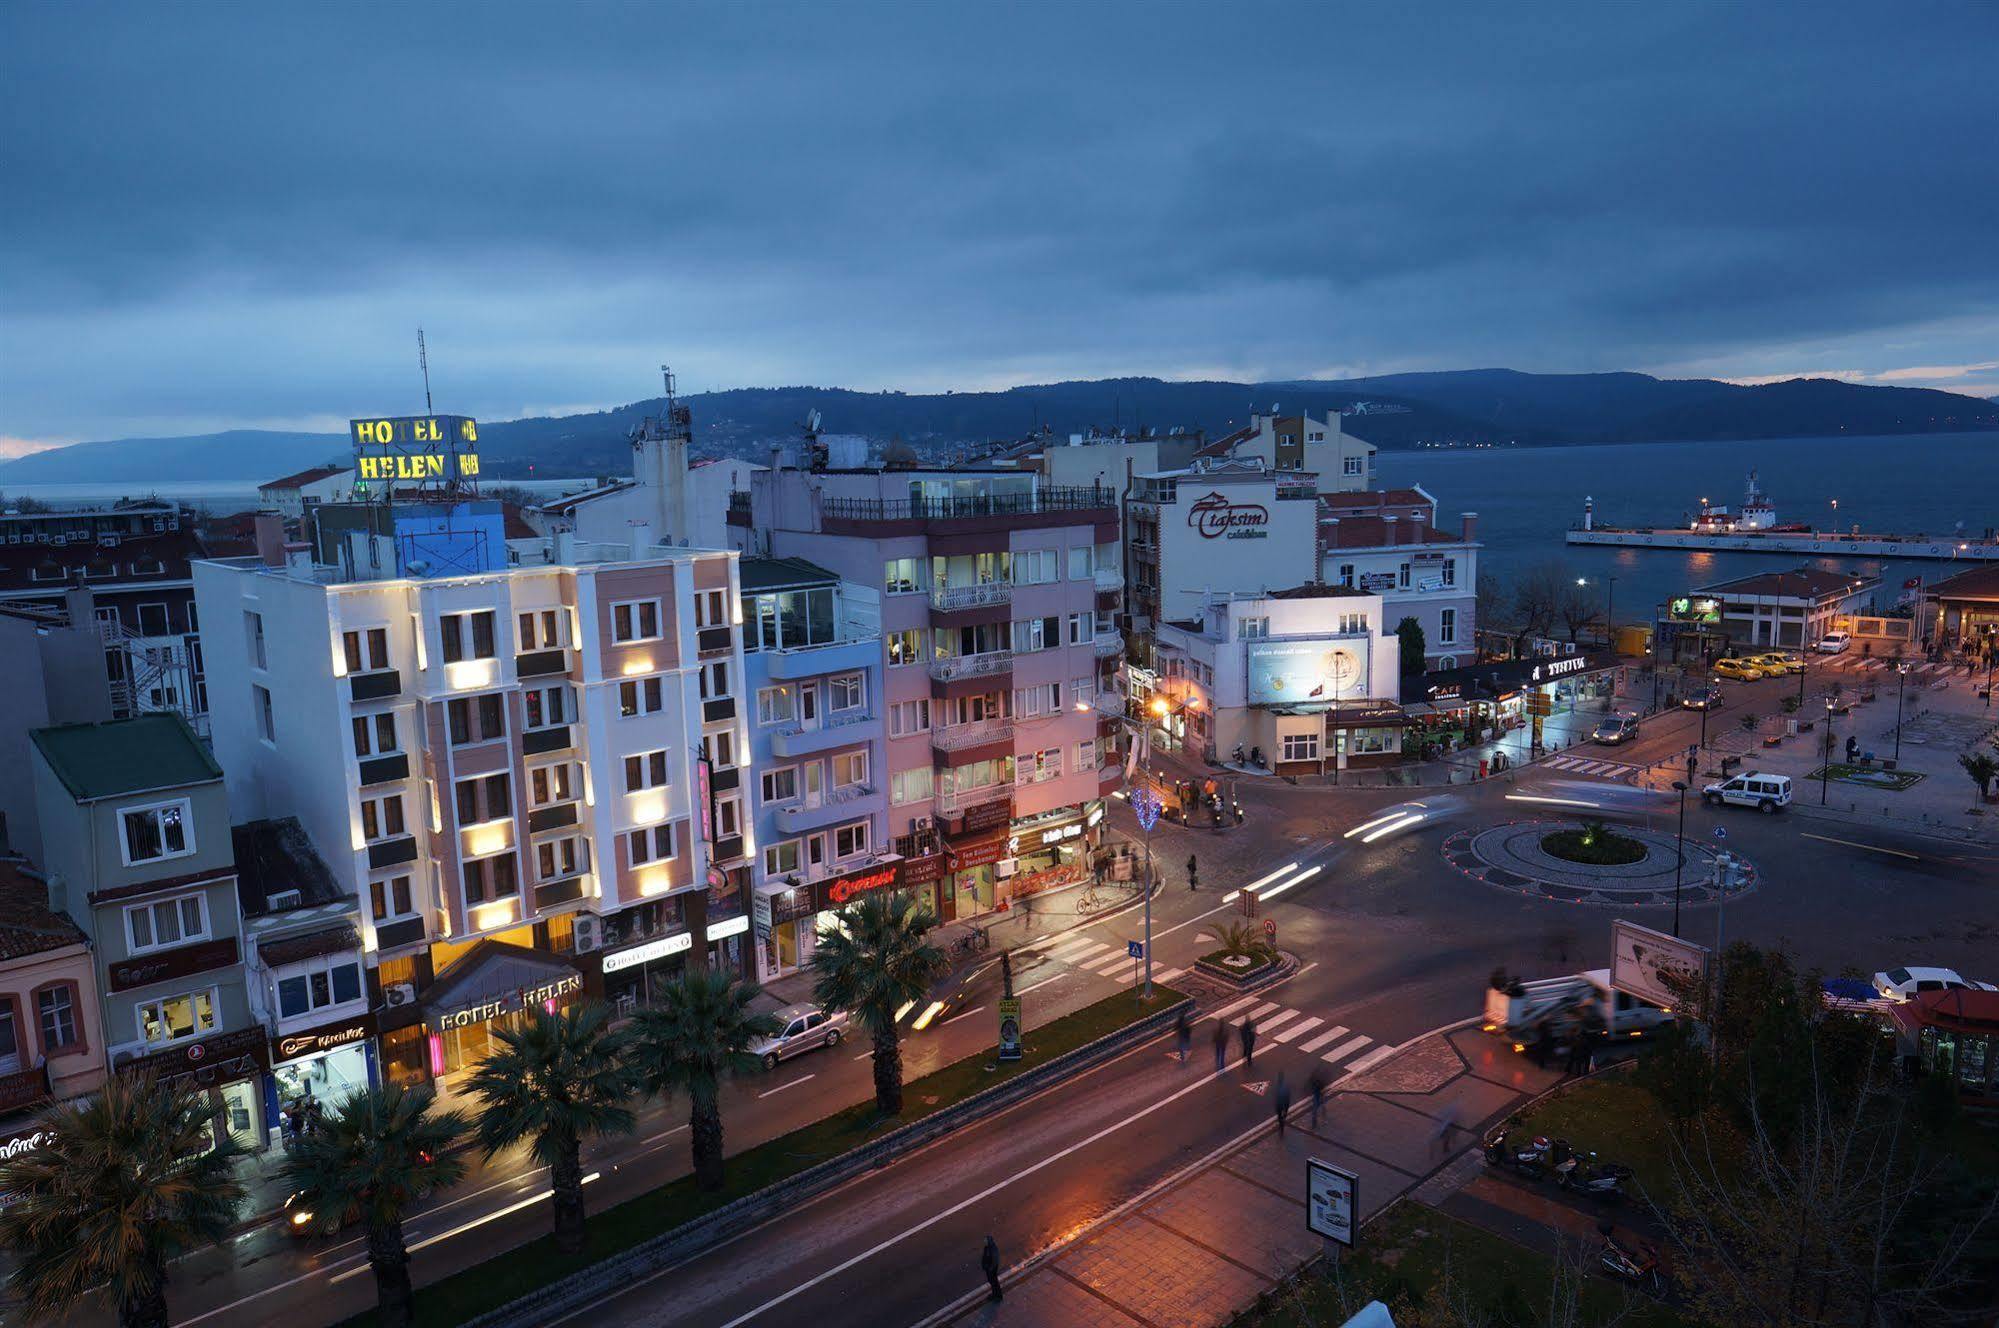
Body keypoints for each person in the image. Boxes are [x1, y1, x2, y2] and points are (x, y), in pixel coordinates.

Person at [981, 1234, 1003, 1302]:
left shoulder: (993, 1248)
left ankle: (998, 1295)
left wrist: (991, 1268)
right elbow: (984, 1257)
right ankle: (995, 1294)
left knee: (994, 1282)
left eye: (986, 1240)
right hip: (988, 1268)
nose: (984, 1241)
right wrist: (983, 1265)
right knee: (991, 1281)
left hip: (992, 1268)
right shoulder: (987, 1247)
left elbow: (995, 1260)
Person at [1273, 1073, 1292, 1139]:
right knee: (1282, 1116)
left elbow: (1276, 1096)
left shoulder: (1278, 1087)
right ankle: (1282, 1126)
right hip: (1283, 1104)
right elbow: (1287, 1096)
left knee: (1280, 1117)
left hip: (1280, 1105)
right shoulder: (1284, 1087)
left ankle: (1281, 1127)